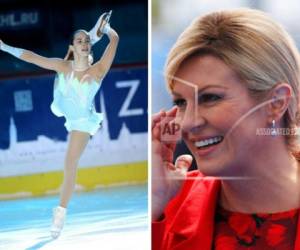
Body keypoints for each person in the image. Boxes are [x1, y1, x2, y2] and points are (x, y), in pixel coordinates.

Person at [152, 8, 300, 250]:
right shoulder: (165, 208)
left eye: (210, 98)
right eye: (180, 102)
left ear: (276, 103)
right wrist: (153, 207)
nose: (187, 123)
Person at [0, 11, 119, 239]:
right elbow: (33, 57)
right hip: (61, 98)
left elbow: (115, 40)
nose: (83, 44)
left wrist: (107, 30)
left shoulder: (98, 71)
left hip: (81, 120)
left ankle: (60, 213)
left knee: (69, 162)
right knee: (62, 68)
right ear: (74, 46)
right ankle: (87, 39)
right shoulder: (64, 66)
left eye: (86, 41)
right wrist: (5, 47)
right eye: (80, 41)